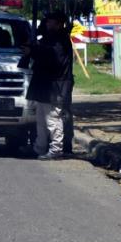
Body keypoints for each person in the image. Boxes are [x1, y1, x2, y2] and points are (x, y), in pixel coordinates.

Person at [24, 11, 74, 160]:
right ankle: (39, 147)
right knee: (41, 119)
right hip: (45, 84)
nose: (47, 24)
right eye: (47, 22)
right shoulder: (49, 39)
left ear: (58, 24)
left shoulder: (60, 40)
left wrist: (33, 51)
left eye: (50, 22)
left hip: (55, 85)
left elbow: (53, 58)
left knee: (53, 118)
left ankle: (56, 149)